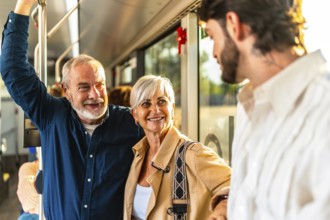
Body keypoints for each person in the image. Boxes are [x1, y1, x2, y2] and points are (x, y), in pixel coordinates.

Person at [0, 0, 143, 219]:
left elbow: (169, 141)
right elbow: (13, 70)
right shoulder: (53, 116)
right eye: (84, 87)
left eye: (100, 85)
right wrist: (24, 6)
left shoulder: (129, 123)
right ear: (66, 91)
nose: (95, 94)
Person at [198, 0, 330, 219]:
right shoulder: (248, 107)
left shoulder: (323, 113)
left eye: (212, 36)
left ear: (233, 24)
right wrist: (228, 204)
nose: (213, 52)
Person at [123, 75, 231, 220]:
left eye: (161, 102)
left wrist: (221, 212)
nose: (155, 110)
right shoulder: (137, 155)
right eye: (146, 104)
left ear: (172, 108)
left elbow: (236, 185)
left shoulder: (193, 154)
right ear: (135, 114)